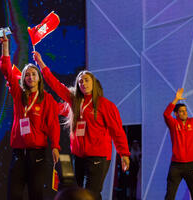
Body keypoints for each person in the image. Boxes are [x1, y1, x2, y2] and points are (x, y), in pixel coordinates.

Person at [33, 51, 130, 200]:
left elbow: (117, 131)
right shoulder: (75, 102)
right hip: (78, 157)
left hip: (98, 156)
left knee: (91, 194)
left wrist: (124, 154)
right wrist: (41, 64)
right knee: (81, 194)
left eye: (86, 80)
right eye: (80, 81)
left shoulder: (106, 105)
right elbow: (55, 84)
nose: (83, 83)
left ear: (93, 83)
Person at [0, 32, 60, 200]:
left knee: (36, 194)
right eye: (27, 75)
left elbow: (53, 124)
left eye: (33, 74)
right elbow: (7, 72)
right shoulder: (18, 94)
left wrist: (55, 146)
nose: (30, 77)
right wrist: (5, 46)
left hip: (37, 154)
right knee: (14, 194)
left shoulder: (46, 99)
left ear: (39, 78)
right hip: (18, 153)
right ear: (23, 79)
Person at [163, 84, 193, 200]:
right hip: (176, 166)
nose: (185, 113)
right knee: (170, 195)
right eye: (181, 111)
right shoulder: (173, 124)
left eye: (185, 111)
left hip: (192, 165)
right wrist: (175, 99)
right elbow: (166, 114)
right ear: (176, 114)